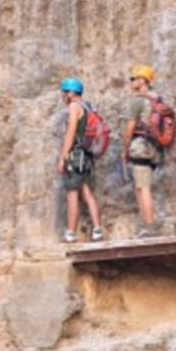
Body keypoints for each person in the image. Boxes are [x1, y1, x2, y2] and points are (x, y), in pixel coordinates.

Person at [56, 77, 104, 243]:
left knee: (72, 194)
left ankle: (70, 233)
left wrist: (63, 157)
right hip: (88, 156)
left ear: (70, 93)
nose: (63, 95)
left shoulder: (74, 107)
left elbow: (71, 133)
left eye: (64, 92)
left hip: (76, 157)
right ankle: (97, 230)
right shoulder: (88, 106)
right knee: (88, 193)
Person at [123, 64, 161, 236]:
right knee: (142, 185)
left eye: (134, 78)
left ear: (142, 80)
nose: (131, 82)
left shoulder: (138, 101)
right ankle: (146, 225)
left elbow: (129, 128)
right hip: (154, 147)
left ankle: (149, 226)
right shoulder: (156, 99)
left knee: (142, 187)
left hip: (140, 146)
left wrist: (125, 149)